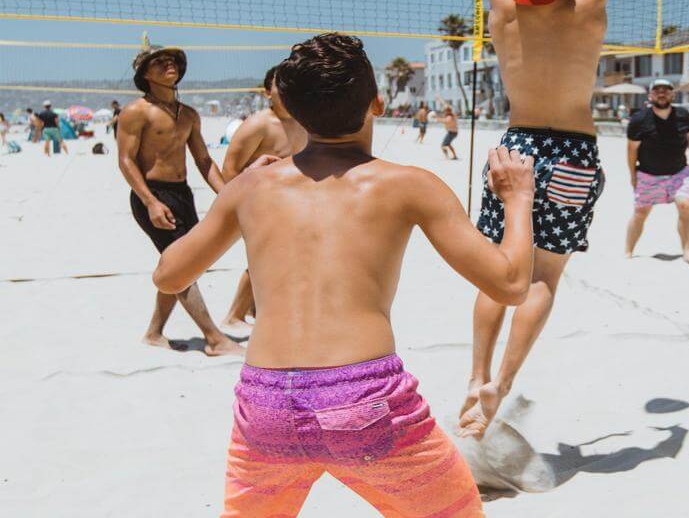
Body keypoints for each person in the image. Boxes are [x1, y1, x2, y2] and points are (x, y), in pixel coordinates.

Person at [153, 33, 536, 517]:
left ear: (292, 111)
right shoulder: (410, 184)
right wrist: (518, 198)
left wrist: (240, 193)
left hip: (266, 404)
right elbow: (510, 284)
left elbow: (168, 276)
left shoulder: (252, 187)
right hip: (363, 398)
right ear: (377, 103)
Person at [460, 0, 631, 439]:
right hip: (574, 152)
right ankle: (501, 385)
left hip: (518, 147)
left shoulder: (502, 1)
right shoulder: (586, 0)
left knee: (498, 270)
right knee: (543, 276)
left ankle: (475, 374)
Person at [117, 45, 242, 356]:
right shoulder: (136, 112)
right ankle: (213, 338)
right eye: (159, 62)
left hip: (182, 195)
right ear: (145, 74)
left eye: (171, 60)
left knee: (180, 264)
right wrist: (150, 202)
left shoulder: (188, 114)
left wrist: (229, 194)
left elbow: (203, 160)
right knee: (182, 265)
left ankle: (154, 332)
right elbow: (126, 160)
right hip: (152, 194)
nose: (168, 64)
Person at [220, 66, 308, 333]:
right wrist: (243, 204)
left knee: (284, 259)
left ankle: (253, 311)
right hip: (260, 203)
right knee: (264, 259)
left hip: (292, 202)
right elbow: (230, 170)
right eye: (281, 85)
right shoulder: (258, 124)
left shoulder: (302, 122)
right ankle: (234, 315)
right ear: (267, 92)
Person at [625, 79, 689, 266]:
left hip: (679, 173)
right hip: (648, 174)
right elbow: (631, 150)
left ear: (672, 94)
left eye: (666, 90)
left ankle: (687, 250)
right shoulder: (639, 120)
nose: (661, 93)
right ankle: (628, 251)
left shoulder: (683, 115)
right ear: (650, 95)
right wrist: (633, 175)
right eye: (657, 90)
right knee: (640, 212)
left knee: (685, 206)